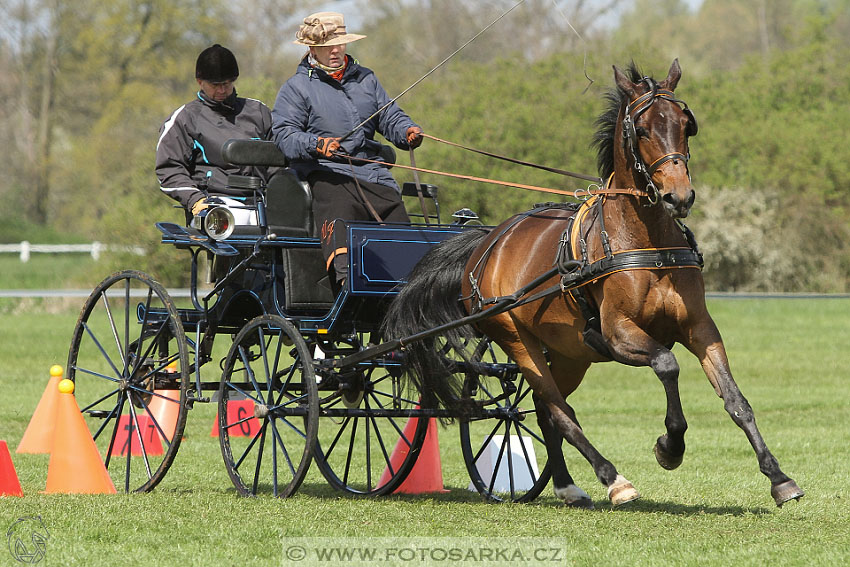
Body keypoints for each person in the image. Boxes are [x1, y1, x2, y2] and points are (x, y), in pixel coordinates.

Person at [271, 12, 423, 289]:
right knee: (339, 204)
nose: (336, 50)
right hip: (327, 173)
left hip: (373, 175)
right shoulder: (296, 88)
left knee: (397, 219)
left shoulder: (367, 79)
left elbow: (389, 117)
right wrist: (317, 145)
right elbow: (285, 135)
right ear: (311, 48)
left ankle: (404, 287)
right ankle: (346, 280)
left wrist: (407, 131)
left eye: (340, 43)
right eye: (329, 45)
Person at [156, 44, 274, 225]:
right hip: (214, 202)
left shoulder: (258, 111)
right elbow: (170, 169)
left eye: (226, 84)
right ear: (199, 81)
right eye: (215, 85)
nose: (221, 91)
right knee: (239, 220)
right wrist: (194, 199)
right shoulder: (185, 118)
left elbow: (279, 162)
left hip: (263, 202)